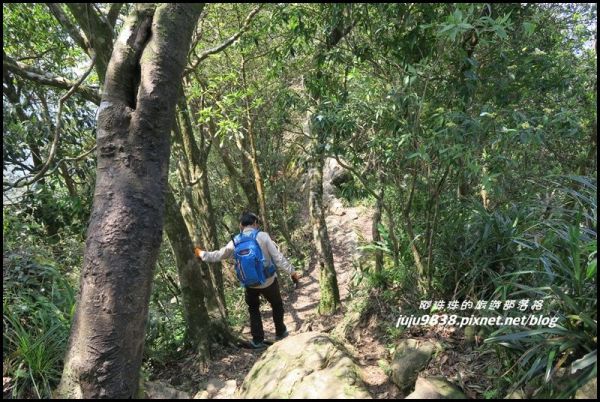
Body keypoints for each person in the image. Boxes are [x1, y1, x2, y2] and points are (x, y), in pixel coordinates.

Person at [194, 212, 300, 349]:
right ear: (255, 223)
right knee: (277, 304)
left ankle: (258, 340)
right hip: (268, 281)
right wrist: (292, 272)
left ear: (241, 225)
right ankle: (280, 332)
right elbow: (278, 258)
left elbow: (219, 255)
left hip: (250, 284)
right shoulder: (263, 236)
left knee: (254, 309)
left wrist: (201, 253)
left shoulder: (236, 240)